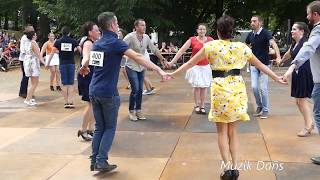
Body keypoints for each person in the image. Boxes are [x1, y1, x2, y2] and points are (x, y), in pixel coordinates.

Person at [167, 15, 285, 180]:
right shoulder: (242, 47)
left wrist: (171, 73)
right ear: (232, 32)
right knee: (233, 131)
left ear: (217, 31)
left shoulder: (210, 46)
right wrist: (277, 78)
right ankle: (235, 168)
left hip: (220, 90)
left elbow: (189, 64)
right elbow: (261, 65)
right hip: (237, 90)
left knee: (222, 131)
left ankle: (227, 169)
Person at [79, 12, 169, 172]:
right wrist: (158, 70)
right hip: (108, 93)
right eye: (117, 23)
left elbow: (92, 63)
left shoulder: (98, 43)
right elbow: (137, 57)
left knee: (100, 127)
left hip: (94, 90)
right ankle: (101, 161)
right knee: (109, 128)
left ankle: (94, 160)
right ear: (113, 25)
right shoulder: (116, 43)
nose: (118, 25)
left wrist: (84, 67)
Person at [282, 1, 320, 165]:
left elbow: (308, 49)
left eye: (308, 13)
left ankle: (308, 125)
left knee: (317, 114)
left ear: (315, 15)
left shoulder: (317, 31)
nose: (307, 16)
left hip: (313, 78)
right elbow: (291, 53)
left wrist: (291, 67)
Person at [123, 19, 169, 121]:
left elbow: (154, 49)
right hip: (131, 66)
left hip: (141, 66)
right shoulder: (130, 37)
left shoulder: (146, 37)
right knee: (135, 89)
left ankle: (138, 110)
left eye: (145, 25)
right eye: (142, 25)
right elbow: (120, 48)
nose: (144, 27)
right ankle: (131, 111)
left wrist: (162, 58)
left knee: (140, 90)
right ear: (136, 27)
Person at [168, 23, 213, 114]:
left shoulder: (210, 40)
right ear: (197, 31)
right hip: (195, 66)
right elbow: (181, 51)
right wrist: (172, 62)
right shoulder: (192, 40)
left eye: (203, 29)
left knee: (204, 87)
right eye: (200, 29)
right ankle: (196, 105)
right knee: (196, 86)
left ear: (206, 31)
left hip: (205, 66)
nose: (202, 31)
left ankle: (202, 105)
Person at [281, 22, 315, 137]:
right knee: (298, 101)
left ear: (302, 31)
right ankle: (309, 123)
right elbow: (289, 54)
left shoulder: (305, 43)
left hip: (304, 73)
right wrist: (281, 60)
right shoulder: (295, 44)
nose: (291, 31)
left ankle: (308, 126)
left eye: (294, 29)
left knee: (302, 100)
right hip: (297, 73)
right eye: (292, 29)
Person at [245, 15, 282, 119]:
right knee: (254, 87)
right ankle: (260, 106)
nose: (252, 23)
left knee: (263, 88)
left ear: (260, 23)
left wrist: (278, 56)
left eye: (254, 21)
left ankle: (265, 110)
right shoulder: (250, 35)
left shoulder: (265, 33)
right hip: (253, 65)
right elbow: (246, 45)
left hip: (264, 65)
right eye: (251, 21)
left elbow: (273, 44)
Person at [77, 21, 101, 141]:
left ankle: (90, 129)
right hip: (87, 75)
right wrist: (84, 65)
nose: (98, 32)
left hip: (92, 74)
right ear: (90, 32)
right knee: (91, 103)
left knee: (93, 103)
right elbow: (86, 57)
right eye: (96, 30)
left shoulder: (94, 42)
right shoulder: (88, 43)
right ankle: (84, 129)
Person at [48, 26, 81, 108]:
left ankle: (66, 102)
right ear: (69, 33)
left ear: (62, 33)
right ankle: (70, 101)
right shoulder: (73, 41)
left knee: (64, 83)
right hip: (71, 63)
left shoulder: (58, 41)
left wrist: (48, 63)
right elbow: (80, 50)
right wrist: (74, 51)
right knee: (71, 83)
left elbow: (52, 52)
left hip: (62, 63)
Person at [23, 31, 46, 105]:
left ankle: (29, 97)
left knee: (33, 82)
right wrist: (44, 63)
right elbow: (39, 55)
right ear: (33, 36)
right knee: (35, 83)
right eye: (35, 35)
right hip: (33, 64)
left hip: (28, 62)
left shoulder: (27, 42)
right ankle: (27, 99)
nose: (36, 36)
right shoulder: (34, 43)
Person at [18, 25, 35, 98]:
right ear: (27, 30)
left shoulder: (29, 38)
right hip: (24, 59)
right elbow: (23, 50)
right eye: (31, 29)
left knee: (27, 76)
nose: (33, 30)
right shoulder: (24, 38)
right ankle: (22, 92)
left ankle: (25, 92)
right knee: (25, 76)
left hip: (28, 59)